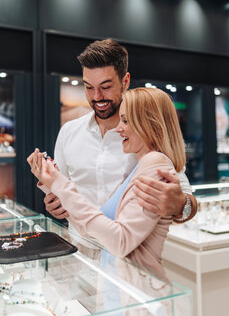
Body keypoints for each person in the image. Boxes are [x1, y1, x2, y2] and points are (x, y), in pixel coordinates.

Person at [28, 87, 190, 276]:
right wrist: (52, 185)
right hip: (115, 283)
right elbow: (92, 230)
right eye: (88, 86)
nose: (119, 128)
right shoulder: (140, 166)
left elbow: (120, 241)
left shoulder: (154, 163)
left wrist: (59, 184)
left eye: (126, 120)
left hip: (138, 290)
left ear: (150, 123)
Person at [39, 38, 196, 222]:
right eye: (89, 87)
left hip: (132, 248)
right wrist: (54, 202)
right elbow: (61, 188)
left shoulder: (145, 133)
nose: (97, 97)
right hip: (80, 245)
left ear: (126, 81)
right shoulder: (68, 132)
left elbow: (187, 200)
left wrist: (179, 205)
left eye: (105, 87)